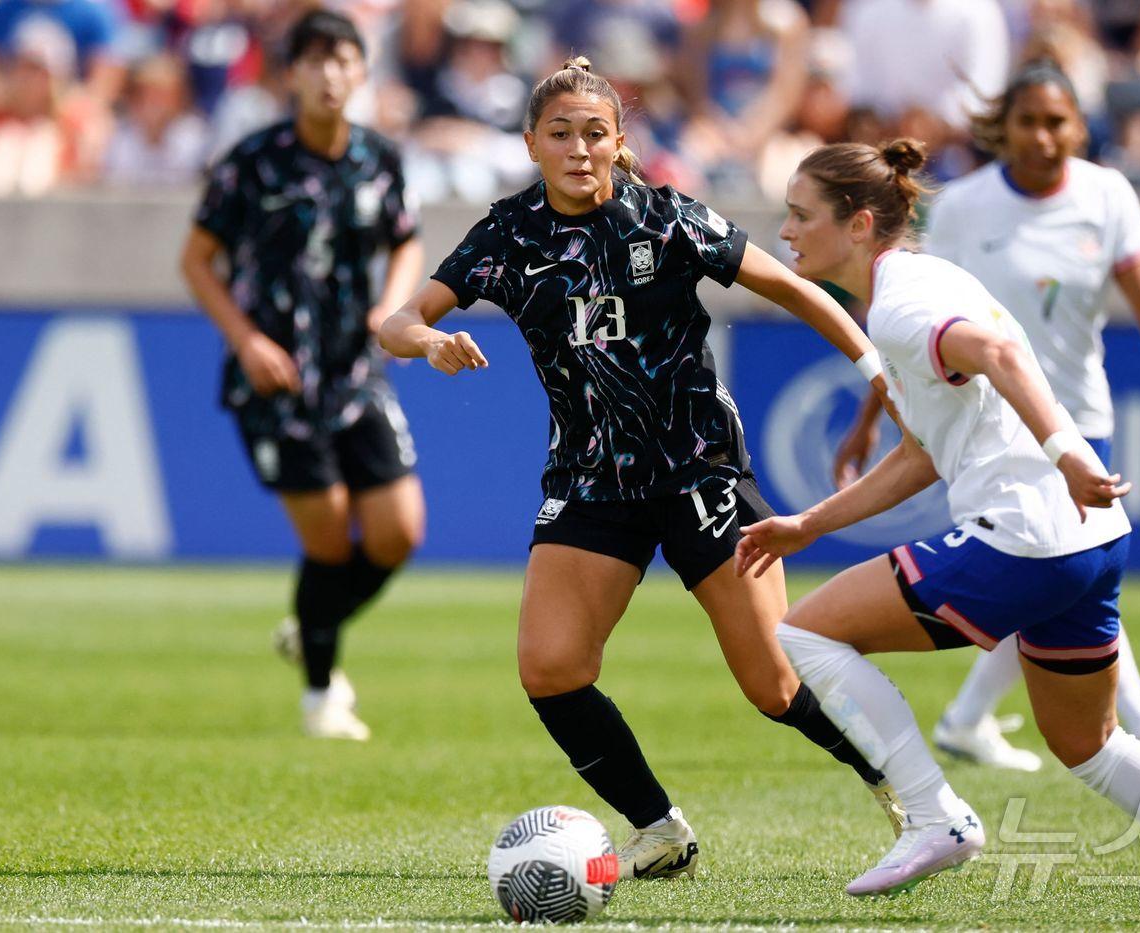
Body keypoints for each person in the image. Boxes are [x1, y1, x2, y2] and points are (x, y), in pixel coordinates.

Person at [736, 137, 1140, 924]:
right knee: (1089, 744)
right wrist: (807, 525)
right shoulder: (912, 286)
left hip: (1023, 535)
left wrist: (1065, 452)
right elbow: (923, 454)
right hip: (1089, 539)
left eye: (800, 215)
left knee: (807, 634)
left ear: (859, 224)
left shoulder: (900, 302)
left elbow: (995, 350)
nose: (786, 233)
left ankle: (935, 815)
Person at [380, 57, 903, 880]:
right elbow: (397, 320)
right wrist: (431, 341)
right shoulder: (507, 236)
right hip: (592, 480)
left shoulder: (666, 219)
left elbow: (797, 289)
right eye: (561, 134)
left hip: (698, 472)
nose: (579, 148)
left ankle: (905, 785)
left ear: (620, 143)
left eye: (595, 133)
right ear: (530, 144)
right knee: (550, 669)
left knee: (772, 684)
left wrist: (876, 367)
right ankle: (661, 828)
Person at [833, 60, 1140, 772]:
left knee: (1059, 570)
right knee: (1053, 569)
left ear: (1079, 126)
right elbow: (909, 324)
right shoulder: (964, 205)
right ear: (1001, 129)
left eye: (1058, 121)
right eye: (1029, 122)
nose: (1044, 136)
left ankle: (981, 719)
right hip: (995, 423)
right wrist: (869, 417)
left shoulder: (1107, 197)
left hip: (1079, 421)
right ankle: (1135, 723)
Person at [180, 9, 426, 742]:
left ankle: (312, 621)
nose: (329, 74)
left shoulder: (379, 157)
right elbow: (197, 260)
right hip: (277, 381)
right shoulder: (251, 162)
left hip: (356, 371)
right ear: (288, 74)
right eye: (313, 60)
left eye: (343, 59)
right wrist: (246, 338)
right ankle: (321, 693)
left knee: (398, 532)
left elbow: (406, 241)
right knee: (326, 538)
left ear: (361, 71)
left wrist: (393, 304)